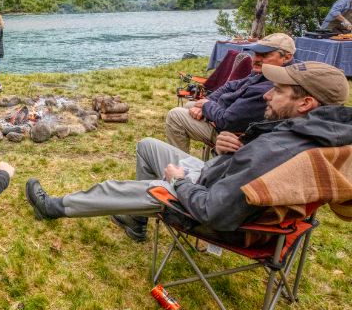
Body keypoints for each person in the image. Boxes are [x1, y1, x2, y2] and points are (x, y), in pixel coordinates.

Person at [26, 61, 351, 242]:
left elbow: (215, 212)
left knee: (119, 187)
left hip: (203, 203)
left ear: (306, 103)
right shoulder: (314, 132)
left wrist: (179, 181)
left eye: (278, 91)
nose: (268, 96)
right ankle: (136, 222)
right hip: (217, 180)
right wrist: (229, 149)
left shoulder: (283, 147)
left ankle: (53, 207)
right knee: (147, 146)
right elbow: (248, 168)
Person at [165, 33, 296, 153]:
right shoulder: (263, 73)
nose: (256, 59)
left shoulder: (273, 88)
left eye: (265, 55)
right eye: (256, 54)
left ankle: (181, 170)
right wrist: (208, 102)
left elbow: (227, 121)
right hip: (227, 114)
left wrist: (206, 106)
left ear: (287, 57)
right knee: (190, 105)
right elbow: (230, 85)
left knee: (175, 116)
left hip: (235, 137)